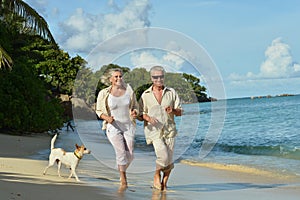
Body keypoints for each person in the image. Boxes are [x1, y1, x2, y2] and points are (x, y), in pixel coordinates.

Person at [139, 66, 183, 191]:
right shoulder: (145, 95)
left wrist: (173, 110)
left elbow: (180, 112)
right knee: (163, 156)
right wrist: (148, 118)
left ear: (164, 77)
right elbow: (140, 114)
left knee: (169, 160)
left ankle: (164, 182)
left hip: (170, 130)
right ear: (151, 78)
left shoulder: (172, 92)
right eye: (155, 77)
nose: (159, 79)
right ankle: (156, 174)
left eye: (161, 76)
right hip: (154, 131)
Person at [96, 68, 139, 188]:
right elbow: (98, 111)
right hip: (113, 127)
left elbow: (136, 106)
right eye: (116, 77)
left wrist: (135, 112)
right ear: (110, 79)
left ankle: (120, 169)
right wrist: (107, 118)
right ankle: (124, 180)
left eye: (120, 76)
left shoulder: (129, 91)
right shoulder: (104, 93)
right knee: (121, 153)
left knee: (130, 155)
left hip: (128, 126)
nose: (119, 78)